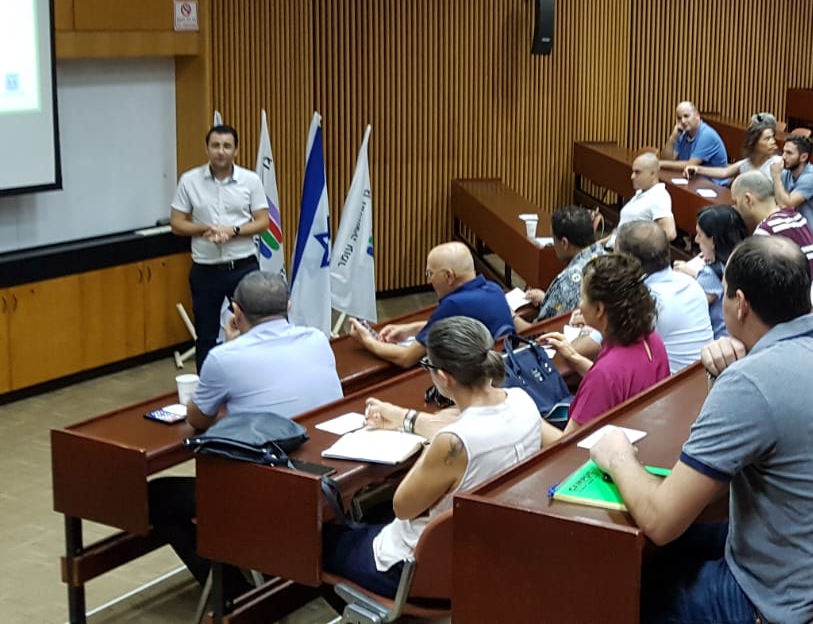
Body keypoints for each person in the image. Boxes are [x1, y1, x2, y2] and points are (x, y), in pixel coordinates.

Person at [588, 237, 813, 624]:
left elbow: (660, 520)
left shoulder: (751, 382)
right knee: (674, 549)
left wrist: (617, 456)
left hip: (783, 603)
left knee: (634, 590)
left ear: (741, 304)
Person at [329, 317, 553, 599]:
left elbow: (402, 507)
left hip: (421, 571)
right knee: (369, 520)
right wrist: (407, 419)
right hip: (488, 551)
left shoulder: (452, 442)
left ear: (444, 377)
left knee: (322, 540)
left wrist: (430, 444)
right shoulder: (522, 400)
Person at [147, 272, 342, 591]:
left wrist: (230, 347)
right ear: (289, 307)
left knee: (157, 496)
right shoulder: (317, 339)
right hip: (326, 473)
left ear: (235, 312)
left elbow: (198, 419)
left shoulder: (224, 358)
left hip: (268, 485)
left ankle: (232, 593)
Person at [169, 124, 271, 370]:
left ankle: (255, 376)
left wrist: (232, 231)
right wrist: (205, 229)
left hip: (243, 266)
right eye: (215, 146)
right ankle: (208, 386)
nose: (221, 151)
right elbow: (177, 223)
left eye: (227, 146)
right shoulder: (189, 181)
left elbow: (263, 222)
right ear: (207, 149)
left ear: (236, 150)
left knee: (255, 329)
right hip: (206, 269)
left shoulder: (250, 180)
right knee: (205, 335)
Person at [540, 253, 669, 429]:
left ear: (599, 309)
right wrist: (574, 358)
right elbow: (617, 388)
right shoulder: (652, 340)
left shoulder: (605, 374)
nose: (580, 306)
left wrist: (528, 416)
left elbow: (567, 441)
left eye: (583, 298)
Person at [353, 242, 513, 367]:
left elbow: (406, 358)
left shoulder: (453, 305)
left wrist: (368, 341)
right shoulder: (495, 289)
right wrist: (410, 329)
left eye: (430, 273)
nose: (429, 281)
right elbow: (454, 326)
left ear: (448, 276)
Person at [613, 221, 714, 373]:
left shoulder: (647, 301)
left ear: (628, 263)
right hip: (701, 377)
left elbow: (610, 350)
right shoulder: (690, 283)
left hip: (669, 384)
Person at [729, 170, 813, 292]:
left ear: (748, 199)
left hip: (799, 300)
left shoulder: (765, 233)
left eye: (735, 202)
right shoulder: (797, 217)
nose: (734, 208)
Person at [673, 204, 748, 339]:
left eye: (700, 235)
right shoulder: (743, 259)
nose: (696, 239)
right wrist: (693, 272)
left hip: (717, 338)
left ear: (713, 240)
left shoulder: (711, 274)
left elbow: (688, 308)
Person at [526, 205, 608, 321]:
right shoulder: (607, 258)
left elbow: (540, 329)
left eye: (554, 240)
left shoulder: (568, 281)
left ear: (564, 243)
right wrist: (547, 299)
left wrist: (510, 313)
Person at [769, 133, 813, 248]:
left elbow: (787, 205)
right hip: (796, 230)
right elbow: (773, 198)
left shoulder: (811, 177)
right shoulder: (787, 173)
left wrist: (776, 177)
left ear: (803, 157)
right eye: (784, 152)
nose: (783, 156)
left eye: (789, 153)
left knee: (774, 248)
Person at [685, 122, 779, 183]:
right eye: (767, 139)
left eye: (772, 138)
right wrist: (697, 169)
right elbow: (724, 172)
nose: (773, 142)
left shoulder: (778, 163)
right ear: (754, 143)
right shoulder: (746, 163)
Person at [614, 152, 675, 243]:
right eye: (633, 172)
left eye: (637, 172)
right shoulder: (641, 192)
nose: (632, 176)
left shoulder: (659, 197)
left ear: (653, 174)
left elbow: (670, 233)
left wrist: (638, 246)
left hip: (628, 250)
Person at [659, 101, 728, 177]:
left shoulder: (707, 135)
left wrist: (660, 163)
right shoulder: (682, 133)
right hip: (691, 178)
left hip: (712, 181)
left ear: (697, 115)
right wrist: (673, 138)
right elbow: (667, 160)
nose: (683, 121)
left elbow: (691, 165)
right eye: (679, 118)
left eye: (686, 116)